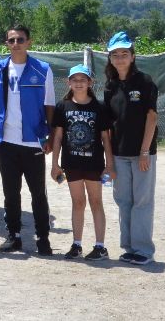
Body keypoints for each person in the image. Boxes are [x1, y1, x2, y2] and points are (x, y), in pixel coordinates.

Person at [0, 23, 55, 255]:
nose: (16, 44)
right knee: (11, 192)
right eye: (11, 40)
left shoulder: (43, 69)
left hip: (33, 140)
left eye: (20, 39)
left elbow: (49, 105)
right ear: (6, 44)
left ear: (29, 42)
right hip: (5, 142)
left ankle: (42, 237)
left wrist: (49, 135)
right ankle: (14, 235)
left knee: (38, 192)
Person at [103, 31, 158, 265]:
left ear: (133, 57)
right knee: (123, 201)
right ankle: (129, 247)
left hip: (142, 154)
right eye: (115, 54)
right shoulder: (110, 87)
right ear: (110, 59)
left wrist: (145, 151)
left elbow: (152, 117)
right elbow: (107, 126)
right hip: (119, 154)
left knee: (142, 201)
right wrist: (109, 160)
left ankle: (143, 250)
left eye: (124, 53)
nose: (120, 58)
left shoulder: (145, 82)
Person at [50, 65, 114, 261]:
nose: (79, 83)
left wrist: (109, 164)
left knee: (96, 202)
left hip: (94, 163)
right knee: (78, 202)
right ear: (69, 82)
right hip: (71, 163)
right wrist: (54, 164)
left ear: (90, 82)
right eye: (75, 79)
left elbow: (105, 138)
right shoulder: (63, 106)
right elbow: (58, 137)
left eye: (83, 79)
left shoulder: (99, 107)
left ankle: (100, 246)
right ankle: (76, 244)